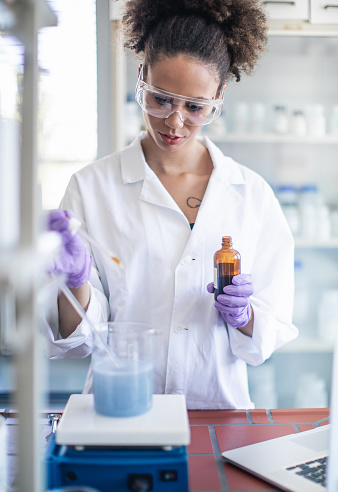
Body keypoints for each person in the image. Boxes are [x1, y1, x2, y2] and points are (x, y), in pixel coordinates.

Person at [44, 0, 298, 409]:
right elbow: (78, 342)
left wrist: (244, 316)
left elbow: (266, 339)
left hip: (217, 414)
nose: (174, 122)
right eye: (160, 99)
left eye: (195, 107)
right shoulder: (91, 188)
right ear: (141, 77)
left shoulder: (251, 195)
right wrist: (75, 283)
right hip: (120, 411)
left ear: (218, 97)